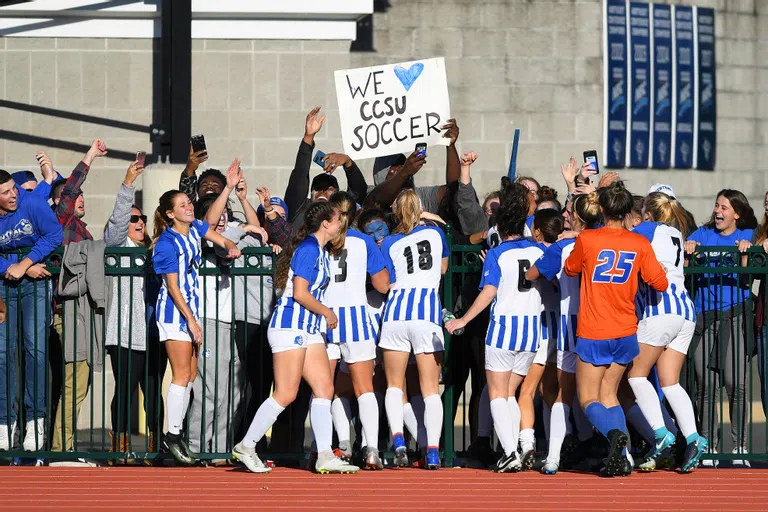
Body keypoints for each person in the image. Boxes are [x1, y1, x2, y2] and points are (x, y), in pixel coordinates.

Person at [232, 201, 359, 474]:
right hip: (290, 326)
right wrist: (326, 311)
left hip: (308, 329)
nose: (341, 225)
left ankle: (324, 453)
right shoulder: (309, 249)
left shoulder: (321, 251)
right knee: (286, 393)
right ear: (326, 223)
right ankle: (247, 445)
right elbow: (300, 293)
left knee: (324, 389)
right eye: (338, 220)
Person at [563, 183, 668, 477]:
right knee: (610, 395)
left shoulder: (588, 239)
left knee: (587, 399)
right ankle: (621, 457)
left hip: (594, 328)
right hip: (625, 328)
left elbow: (571, 268)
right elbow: (660, 282)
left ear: (603, 209)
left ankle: (614, 437)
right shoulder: (639, 243)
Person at [446, 183, 543, 473]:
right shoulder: (538, 250)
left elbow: (489, 291)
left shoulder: (499, 253)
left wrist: (462, 320)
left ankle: (511, 450)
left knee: (497, 394)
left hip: (504, 329)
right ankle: (523, 447)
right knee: (510, 393)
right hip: (531, 330)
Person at [151, 190, 241, 465]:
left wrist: (229, 245)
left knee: (191, 375)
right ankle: (173, 435)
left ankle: (178, 435)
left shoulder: (194, 229)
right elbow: (173, 287)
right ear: (170, 214)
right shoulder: (167, 243)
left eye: (189, 202)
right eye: (182, 205)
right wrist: (190, 318)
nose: (189, 207)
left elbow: (214, 235)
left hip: (191, 312)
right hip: (175, 314)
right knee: (181, 375)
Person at [627, 192, 708, 473]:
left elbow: (625, 243)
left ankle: (661, 434)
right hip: (685, 309)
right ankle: (694, 438)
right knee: (670, 382)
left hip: (659, 309)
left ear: (647, 213)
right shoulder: (674, 231)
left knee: (635, 375)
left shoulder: (646, 229)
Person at [527, 193, 602, 474]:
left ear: (578, 218)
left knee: (564, 395)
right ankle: (623, 450)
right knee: (610, 393)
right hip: (606, 323)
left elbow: (532, 273)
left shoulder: (564, 247)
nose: (565, 216)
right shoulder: (609, 239)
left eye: (570, 212)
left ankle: (554, 457)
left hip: (573, 323)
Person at [685, 189, 757, 465]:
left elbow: (752, 270)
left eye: (724, 207)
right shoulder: (702, 235)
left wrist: (746, 255)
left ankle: (740, 447)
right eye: (716, 206)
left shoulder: (748, 235)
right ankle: (709, 446)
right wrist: (690, 252)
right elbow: (687, 257)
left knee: (734, 383)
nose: (718, 211)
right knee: (705, 385)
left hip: (735, 316)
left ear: (736, 213)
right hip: (705, 317)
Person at [379, 190, 449, 470]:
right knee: (431, 389)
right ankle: (432, 450)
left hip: (396, 312)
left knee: (395, 385)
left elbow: (390, 280)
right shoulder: (435, 234)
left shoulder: (390, 242)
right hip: (426, 314)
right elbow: (442, 269)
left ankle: (398, 441)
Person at [103, 160, 165, 464]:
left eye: (142, 218)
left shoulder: (155, 250)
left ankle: (155, 448)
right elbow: (116, 223)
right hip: (125, 331)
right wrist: (128, 183)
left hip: (154, 330)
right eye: (133, 218)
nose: (139, 223)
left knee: (153, 393)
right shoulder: (117, 245)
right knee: (125, 391)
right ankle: (121, 448)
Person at [322, 191, 390, 469]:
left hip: (325, 318)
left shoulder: (321, 240)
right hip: (357, 319)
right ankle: (371, 448)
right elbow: (383, 285)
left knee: (327, 390)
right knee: (365, 389)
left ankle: (337, 446)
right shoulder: (364, 241)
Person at [0, 168, 63, 452]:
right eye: (5, 193)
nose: (13, 195)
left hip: (34, 283)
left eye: (13, 188)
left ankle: (35, 424)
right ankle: (5, 423)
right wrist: (9, 268)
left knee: (35, 350)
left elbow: (54, 235)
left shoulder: (31, 202)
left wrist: (25, 265)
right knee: (2, 353)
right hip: (3, 285)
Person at [517, 208, 564, 469]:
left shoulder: (541, 252)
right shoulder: (566, 246)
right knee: (550, 391)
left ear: (537, 231)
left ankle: (528, 446)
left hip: (544, 327)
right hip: (561, 326)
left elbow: (529, 275)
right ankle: (561, 442)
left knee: (526, 391)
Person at [284, 107, 368, 232]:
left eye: (329, 189)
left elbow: (359, 192)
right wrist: (308, 137)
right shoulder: (299, 210)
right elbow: (299, 176)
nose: (322, 192)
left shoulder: (342, 214)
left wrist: (348, 163)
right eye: (317, 188)